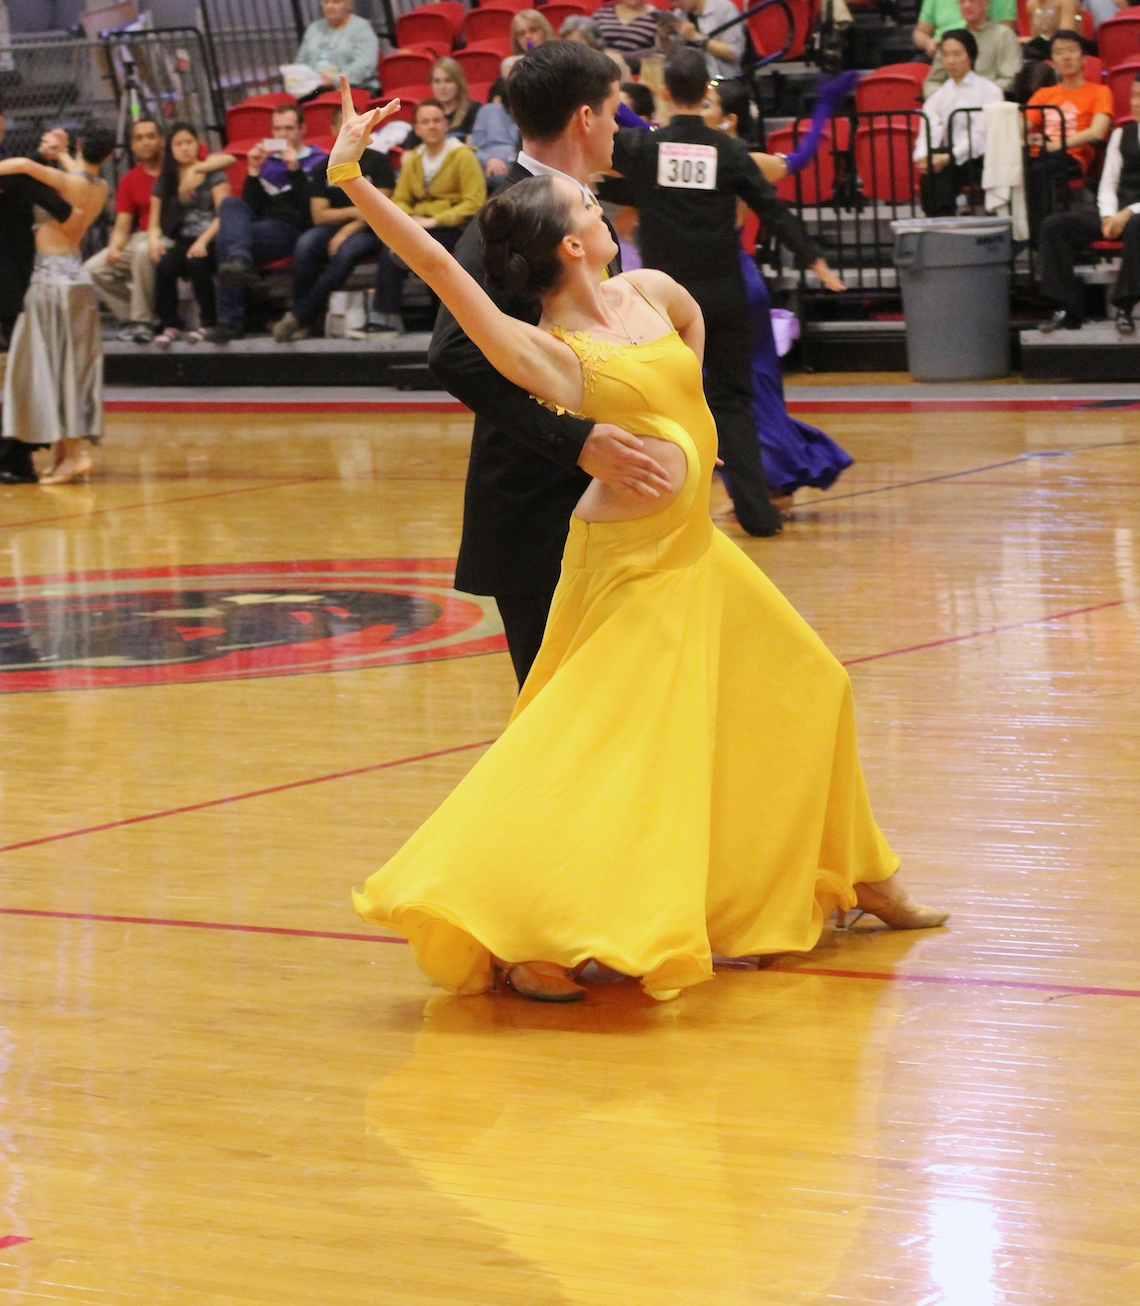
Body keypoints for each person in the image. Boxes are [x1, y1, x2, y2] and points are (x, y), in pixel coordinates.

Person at [328, 79, 945, 1004]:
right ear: (570, 244)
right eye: (584, 205)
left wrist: (684, 429)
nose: (600, 203)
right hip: (629, 574)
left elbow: (693, 323)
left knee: (814, 686)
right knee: (586, 752)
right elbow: (441, 271)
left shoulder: (646, 293)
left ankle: (855, 876)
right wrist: (353, 179)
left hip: (697, 555)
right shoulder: (550, 351)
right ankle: (516, 929)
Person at [428, 40, 681, 687]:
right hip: (540, 519)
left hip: (607, 508)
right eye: (616, 109)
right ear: (585, 118)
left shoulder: (583, 214)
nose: (621, 126)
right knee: (559, 721)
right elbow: (452, 353)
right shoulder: (511, 215)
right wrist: (576, 441)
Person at [603, 47, 844, 540]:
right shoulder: (728, 152)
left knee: (661, 405)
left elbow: (598, 153)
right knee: (733, 403)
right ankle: (758, 516)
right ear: (705, 93)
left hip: (666, 304)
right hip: (724, 296)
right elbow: (773, 210)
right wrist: (814, 259)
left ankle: (663, 513)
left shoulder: (644, 148)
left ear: (665, 92)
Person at [697, 75, 852, 509]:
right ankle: (771, 480)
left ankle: (775, 479)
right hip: (727, 282)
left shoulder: (739, 159)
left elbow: (800, 160)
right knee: (742, 386)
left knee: (745, 387)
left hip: (732, 282)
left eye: (706, 104)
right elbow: (798, 158)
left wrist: (825, 105)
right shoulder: (696, 153)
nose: (695, 108)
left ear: (728, 120)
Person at [0, 123, 116, 486]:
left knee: (55, 367)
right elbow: (78, 172)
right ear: (111, 155)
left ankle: (73, 455)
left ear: (80, 143)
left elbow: (22, 166)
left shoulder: (64, 183)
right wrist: (61, 153)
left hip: (51, 283)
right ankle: (65, 457)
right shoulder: (100, 187)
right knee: (71, 367)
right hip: (78, 279)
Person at [0, 89, 75, 485]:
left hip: (0, 278)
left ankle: (16, 458)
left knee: (33, 372)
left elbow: (11, 187)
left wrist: (39, 158)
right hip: (17, 281)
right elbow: (58, 204)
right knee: (31, 374)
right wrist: (69, 173)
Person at [1036, 70, 1140, 334]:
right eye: (1133, 96)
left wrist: (1127, 213)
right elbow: (1108, 182)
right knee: (1055, 226)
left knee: (1138, 225)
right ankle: (1066, 309)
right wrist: (1109, 215)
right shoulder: (1120, 135)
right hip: (1115, 209)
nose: (1135, 102)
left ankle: (1124, 308)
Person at [273, 107, 397, 342]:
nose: (351, 131)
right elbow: (319, 215)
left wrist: (347, 230)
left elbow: (380, 208)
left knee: (346, 251)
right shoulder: (325, 166)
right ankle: (308, 319)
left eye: (357, 125)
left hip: (371, 229)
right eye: (345, 126)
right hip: (333, 227)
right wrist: (358, 211)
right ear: (333, 130)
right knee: (305, 245)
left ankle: (300, 316)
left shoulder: (379, 161)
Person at [212, 102, 325, 339]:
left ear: (302, 129)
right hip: (264, 228)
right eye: (277, 129)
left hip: (295, 230)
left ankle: (230, 321)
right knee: (230, 204)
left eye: (289, 129)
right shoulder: (268, 163)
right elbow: (251, 208)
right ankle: (239, 258)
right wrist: (253, 172)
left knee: (226, 240)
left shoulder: (318, 161)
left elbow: (309, 214)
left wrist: (295, 171)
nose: (282, 135)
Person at [373, 99, 486, 332]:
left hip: (454, 227)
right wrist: (409, 220)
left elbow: (474, 203)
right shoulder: (414, 158)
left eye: (436, 121)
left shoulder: (463, 156)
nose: (432, 126)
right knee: (391, 246)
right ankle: (386, 318)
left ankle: (443, 321)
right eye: (425, 122)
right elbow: (400, 199)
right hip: (420, 225)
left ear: (446, 124)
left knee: (420, 246)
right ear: (417, 129)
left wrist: (433, 220)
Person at [148, 124, 235, 345]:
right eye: (179, 144)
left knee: (196, 261)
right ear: (171, 149)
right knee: (165, 264)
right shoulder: (166, 179)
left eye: (189, 142)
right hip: (183, 238)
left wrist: (203, 241)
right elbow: (154, 220)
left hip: (212, 238)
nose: (185, 148)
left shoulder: (212, 172)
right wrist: (153, 240)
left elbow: (223, 214)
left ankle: (208, 322)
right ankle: (170, 324)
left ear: (197, 144)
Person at [84, 115, 164, 331]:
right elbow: (122, 225)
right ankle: (133, 317)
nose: (146, 142)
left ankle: (143, 321)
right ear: (132, 145)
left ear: (161, 141)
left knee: (142, 250)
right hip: (140, 237)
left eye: (151, 136)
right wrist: (114, 248)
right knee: (93, 268)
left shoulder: (175, 170)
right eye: (139, 138)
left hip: (168, 236)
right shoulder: (129, 179)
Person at [913, 29, 1004, 215]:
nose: (950, 60)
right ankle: (935, 223)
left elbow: (980, 136)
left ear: (970, 56)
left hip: (979, 158)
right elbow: (928, 127)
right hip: (947, 156)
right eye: (946, 55)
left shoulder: (990, 91)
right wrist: (923, 156)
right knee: (933, 173)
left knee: (945, 170)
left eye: (956, 54)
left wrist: (950, 157)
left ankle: (944, 222)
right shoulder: (940, 94)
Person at [1024, 32, 1114, 221]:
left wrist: (1058, 145)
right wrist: (1024, 138)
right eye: (1059, 52)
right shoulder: (1044, 94)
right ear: (1052, 62)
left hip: (1072, 156)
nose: (1066, 57)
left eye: (1072, 50)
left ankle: (1039, 232)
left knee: (1039, 171)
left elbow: (1097, 132)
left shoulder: (1100, 92)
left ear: (1084, 58)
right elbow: (1023, 126)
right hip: (1039, 153)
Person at [920, 0, 1023, 97]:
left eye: (972, 0)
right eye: (962, 1)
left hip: (989, 100)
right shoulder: (952, 38)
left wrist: (975, 94)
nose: (966, 5)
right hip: (951, 102)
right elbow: (933, 81)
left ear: (986, 3)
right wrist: (942, 97)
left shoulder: (1004, 35)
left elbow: (1011, 79)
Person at [658, 0, 747, 77]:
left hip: (720, 79)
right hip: (691, 79)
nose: (673, 4)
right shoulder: (679, 15)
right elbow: (674, 59)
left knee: (712, 85)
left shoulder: (724, 8)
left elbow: (734, 53)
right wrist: (664, 39)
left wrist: (696, 37)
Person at [295, 0, 380, 90]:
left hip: (352, 87)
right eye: (326, 1)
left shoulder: (361, 28)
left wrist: (335, 80)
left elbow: (365, 64)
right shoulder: (313, 28)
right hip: (313, 88)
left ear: (349, 4)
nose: (329, 6)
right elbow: (300, 62)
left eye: (336, 2)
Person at [403, 58, 477, 147]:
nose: (442, 87)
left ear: (458, 83)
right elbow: (410, 148)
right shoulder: (425, 113)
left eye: (448, 81)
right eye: (437, 81)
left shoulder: (474, 111)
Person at [591, 0, 662, 59]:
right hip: (602, 64)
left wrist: (620, 57)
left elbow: (659, 50)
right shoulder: (601, 15)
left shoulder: (657, 17)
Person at [470, 79, 521, 188]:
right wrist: (489, 160)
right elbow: (473, 149)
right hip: (490, 167)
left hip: (519, 168)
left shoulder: (532, 116)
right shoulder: (488, 111)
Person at [501, 10, 552, 78]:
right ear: (516, 40)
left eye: (533, 30)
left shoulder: (559, 59)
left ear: (545, 31)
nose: (528, 36)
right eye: (521, 33)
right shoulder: (511, 64)